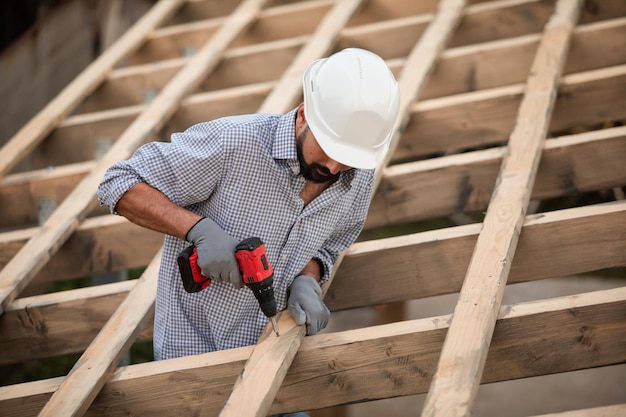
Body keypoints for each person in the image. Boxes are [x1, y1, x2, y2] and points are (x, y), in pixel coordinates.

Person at [98, 48, 400, 362]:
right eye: (327, 148)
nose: (335, 167)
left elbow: (329, 247)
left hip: (276, 353)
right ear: (303, 115)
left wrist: (308, 278)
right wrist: (198, 230)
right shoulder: (235, 142)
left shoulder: (360, 175)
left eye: (349, 158)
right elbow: (118, 182)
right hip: (195, 358)